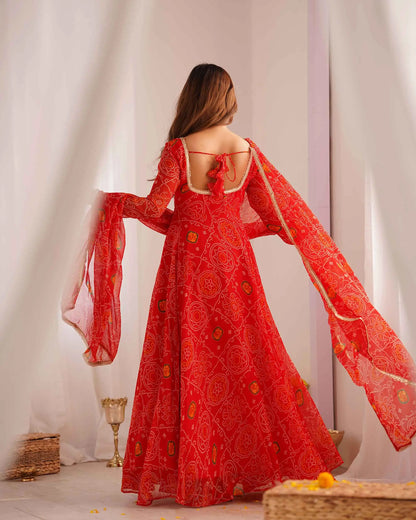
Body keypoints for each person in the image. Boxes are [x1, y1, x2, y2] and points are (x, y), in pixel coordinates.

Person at [62, 63, 416, 508]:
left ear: (191, 97)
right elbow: (274, 217)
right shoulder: (247, 151)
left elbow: (153, 208)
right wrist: (224, 229)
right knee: (246, 355)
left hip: (188, 268)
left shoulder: (178, 149)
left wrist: (110, 202)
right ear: (226, 97)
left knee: (191, 358)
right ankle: (248, 469)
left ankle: (201, 472)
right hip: (234, 265)